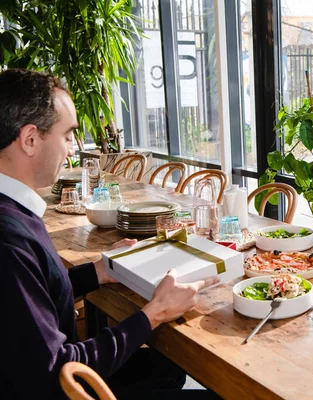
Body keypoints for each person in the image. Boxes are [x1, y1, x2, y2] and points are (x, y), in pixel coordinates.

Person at [0, 69, 221, 399]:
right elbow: (55, 372)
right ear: (30, 139)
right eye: (68, 135)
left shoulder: (14, 212)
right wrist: (155, 312)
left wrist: (98, 272)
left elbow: (30, 298)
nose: (72, 150)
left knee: (167, 367)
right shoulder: (8, 240)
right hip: (61, 386)